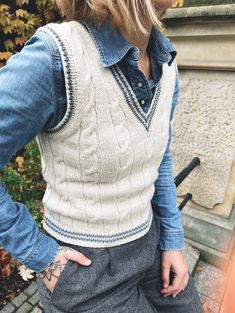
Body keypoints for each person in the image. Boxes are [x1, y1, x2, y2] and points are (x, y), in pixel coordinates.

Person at [0, 0, 203, 312]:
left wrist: (173, 239)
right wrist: (39, 253)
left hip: (152, 245)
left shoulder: (166, 62)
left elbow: (158, 156)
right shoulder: (57, 56)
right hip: (85, 272)